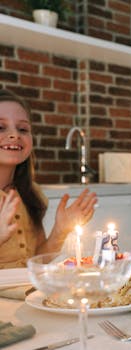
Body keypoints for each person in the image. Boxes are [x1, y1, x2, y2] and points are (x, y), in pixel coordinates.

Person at [0, 89, 98, 269]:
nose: (15, 135)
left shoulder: (31, 193)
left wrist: (60, 230)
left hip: (27, 294)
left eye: (23, 129)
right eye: (0, 127)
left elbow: (36, 261)